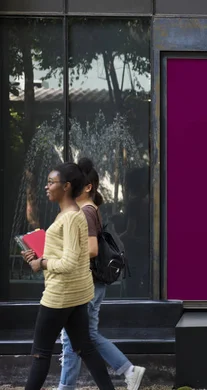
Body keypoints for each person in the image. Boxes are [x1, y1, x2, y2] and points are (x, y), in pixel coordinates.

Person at [21, 162, 114, 390]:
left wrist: (41, 263)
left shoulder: (72, 217)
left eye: (51, 182)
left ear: (67, 186)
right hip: (75, 294)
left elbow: (70, 262)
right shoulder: (69, 214)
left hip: (60, 296)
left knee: (40, 355)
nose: (46, 186)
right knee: (85, 348)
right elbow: (69, 253)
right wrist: (39, 254)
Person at [57, 158, 146, 390]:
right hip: (94, 284)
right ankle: (129, 370)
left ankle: (65, 387)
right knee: (88, 335)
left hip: (86, 284)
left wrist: (62, 255)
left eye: (74, 184)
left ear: (87, 187)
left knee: (71, 339)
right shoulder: (91, 209)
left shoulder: (85, 212)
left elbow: (93, 249)